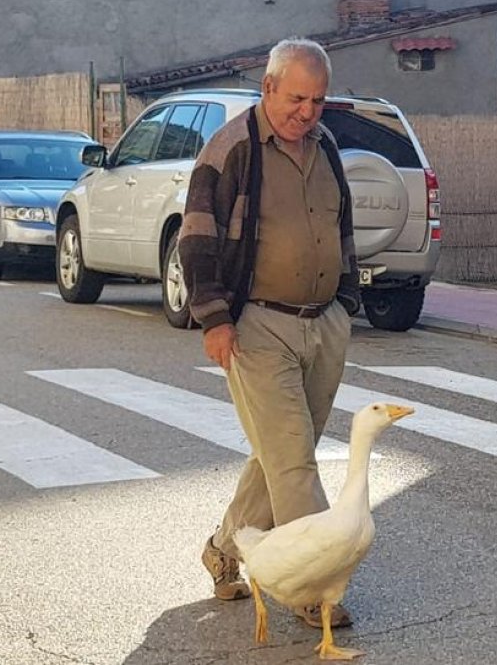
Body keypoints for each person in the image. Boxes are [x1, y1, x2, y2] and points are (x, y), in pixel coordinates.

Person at [178, 37, 361, 629]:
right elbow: (197, 234)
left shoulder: (326, 145)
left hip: (322, 321)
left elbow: (342, 225)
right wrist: (214, 317)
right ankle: (316, 590)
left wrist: (346, 301)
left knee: (280, 454)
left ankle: (225, 549)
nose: (306, 112)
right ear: (269, 88)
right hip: (257, 323)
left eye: (318, 100)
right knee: (294, 463)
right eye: (297, 98)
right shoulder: (232, 147)